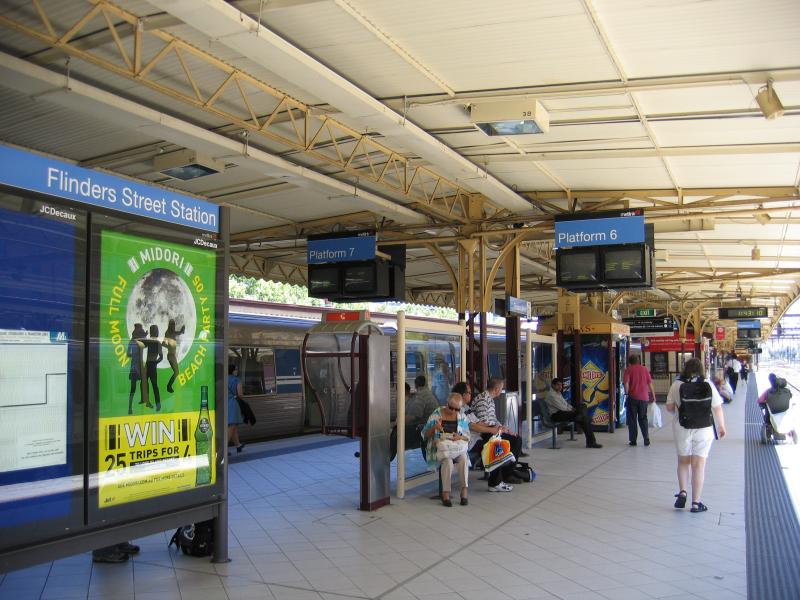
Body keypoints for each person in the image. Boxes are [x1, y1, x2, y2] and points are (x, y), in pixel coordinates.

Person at [665, 358, 726, 513]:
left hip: (682, 427)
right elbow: (717, 408)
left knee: (683, 462)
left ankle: (683, 491)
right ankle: (696, 503)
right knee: (699, 465)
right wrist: (721, 426)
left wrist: (680, 410)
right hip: (704, 428)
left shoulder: (676, 385)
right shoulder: (708, 384)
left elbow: (669, 408)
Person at [453, 381, 518, 492]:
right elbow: (472, 426)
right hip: (467, 441)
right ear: (463, 395)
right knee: (493, 446)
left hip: (475, 437)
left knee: (495, 440)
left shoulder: (466, 407)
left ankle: (499, 478)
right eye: (469, 392)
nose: (471, 395)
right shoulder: (458, 410)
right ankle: (495, 483)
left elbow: (478, 422)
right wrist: (491, 430)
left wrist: (497, 428)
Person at [421, 392, 471, 507]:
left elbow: (467, 436)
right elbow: (424, 434)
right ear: (446, 403)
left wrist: (460, 437)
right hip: (440, 448)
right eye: (451, 407)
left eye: (457, 409)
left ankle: (464, 490)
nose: (453, 411)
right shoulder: (436, 415)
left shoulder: (461, 416)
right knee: (447, 461)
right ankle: (446, 493)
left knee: (463, 458)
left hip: (456, 448)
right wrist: (434, 428)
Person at [542, 378, 603, 449]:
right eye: (558, 385)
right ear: (553, 385)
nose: (560, 387)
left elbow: (566, 404)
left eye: (561, 385)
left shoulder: (558, 393)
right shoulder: (551, 395)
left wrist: (572, 409)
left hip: (564, 413)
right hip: (556, 415)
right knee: (584, 418)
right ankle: (591, 442)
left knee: (583, 406)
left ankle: (580, 416)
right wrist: (573, 410)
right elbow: (562, 407)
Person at [623, 355, 656, 446]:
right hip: (644, 398)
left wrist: (626, 393)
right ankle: (646, 438)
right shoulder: (644, 369)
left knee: (632, 419)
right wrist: (653, 395)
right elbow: (650, 383)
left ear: (629, 362)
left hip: (632, 398)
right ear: (638, 361)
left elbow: (626, 383)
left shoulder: (628, 369)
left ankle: (633, 440)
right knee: (643, 418)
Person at [126, 323, 147, 415]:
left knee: (134, 388)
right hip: (137, 366)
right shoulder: (140, 341)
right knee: (135, 388)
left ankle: (131, 407)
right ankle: (130, 407)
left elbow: (128, 354)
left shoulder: (132, 341)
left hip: (135, 366)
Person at [142, 324, 163, 411]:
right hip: (149, 364)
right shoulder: (152, 342)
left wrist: (155, 362)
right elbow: (161, 357)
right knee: (148, 384)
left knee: (153, 385)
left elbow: (161, 357)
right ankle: (149, 402)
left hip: (150, 364)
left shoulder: (156, 343)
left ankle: (157, 404)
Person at [163, 318, 185, 394]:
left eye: (174, 325)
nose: (173, 326)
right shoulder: (169, 333)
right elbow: (163, 343)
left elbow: (176, 333)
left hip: (172, 355)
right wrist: (169, 346)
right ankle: (169, 386)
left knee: (176, 372)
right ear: (169, 325)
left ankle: (169, 386)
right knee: (176, 372)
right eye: (172, 324)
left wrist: (181, 331)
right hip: (171, 356)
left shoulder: (171, 332)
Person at [228, 363, 245, 453]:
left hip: (224, 404)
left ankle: (238, 445)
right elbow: (240, 394)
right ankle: (223, 449)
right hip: (233, 404)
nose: (237, 371)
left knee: (232, 426)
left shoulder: (224, 379)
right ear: (233, 370)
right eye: (236, 369)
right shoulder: (237, 380)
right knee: (232, 426)